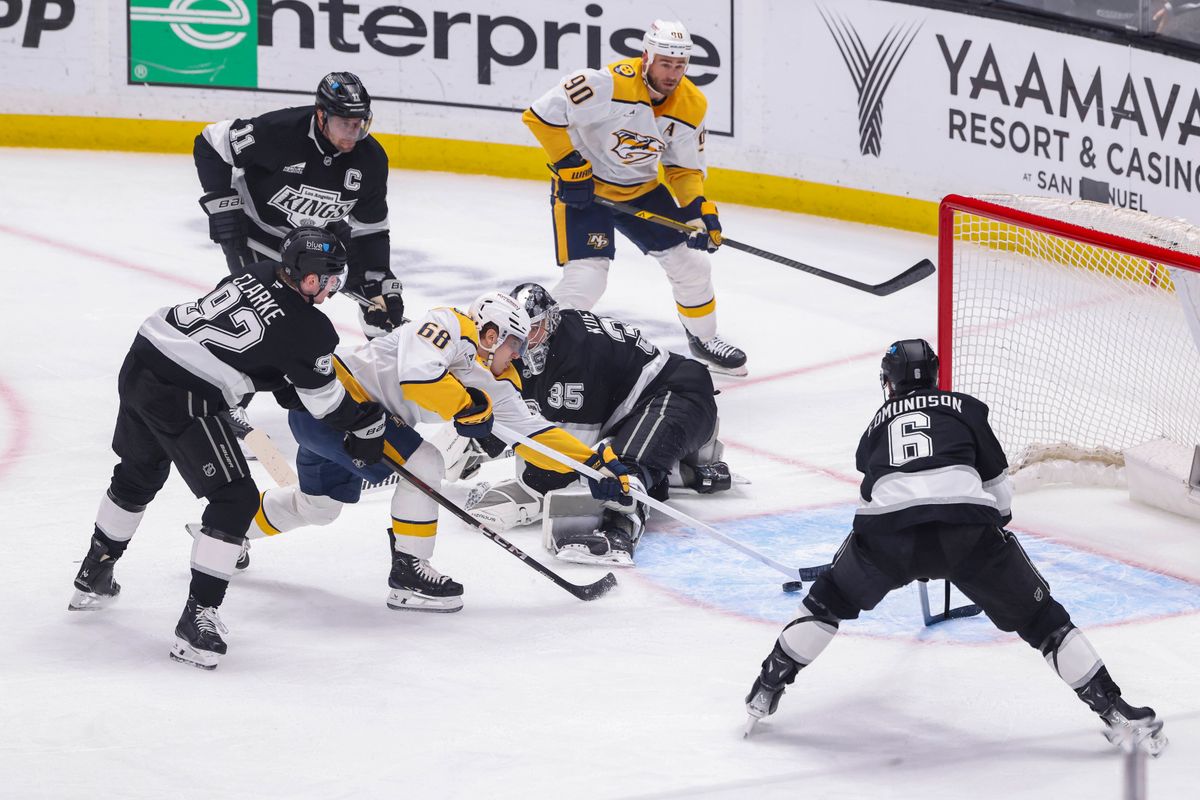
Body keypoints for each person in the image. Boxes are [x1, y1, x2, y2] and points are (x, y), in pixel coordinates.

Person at [742, 339, 1168, 755]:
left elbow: (872, 494)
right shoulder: (966, 408)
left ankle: (767, 687)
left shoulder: (874, 426)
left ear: (888, 383)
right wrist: (979, 541)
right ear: (935, 376)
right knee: (1044, 621)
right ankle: (1116, 713)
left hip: (886, 535)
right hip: (967, 532)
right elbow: (1000, 496)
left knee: (827, 601)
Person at [68, 227, 388, 670]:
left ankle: (95, 569)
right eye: (331, 280)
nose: (334, 288)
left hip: (142, 358)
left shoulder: (257, 271)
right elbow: (326, 402)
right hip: (184, 394)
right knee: (235, 499)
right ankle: (198, 617)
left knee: (139, 472)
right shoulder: (311, 328)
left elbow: (255, 346)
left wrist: (281, 381)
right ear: (310, 280)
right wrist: (364, 422)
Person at [248, 292, 633, 612]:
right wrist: (466, 407)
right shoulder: (447, 324)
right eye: (514, 343)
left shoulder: (492, 379)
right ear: (492, 333)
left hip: (350, 427)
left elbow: (532, 434)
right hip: (334, 406)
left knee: (317, 507)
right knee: (428, 461)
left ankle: (227, 532)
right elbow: (419, 379)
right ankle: (410, 572)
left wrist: (592, 464)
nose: (517, 355)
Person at [522, 19, 748, 377]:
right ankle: (540, 350)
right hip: (587, 193)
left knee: (692, 265)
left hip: (641, 191)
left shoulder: (692, 104)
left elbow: (683, 169)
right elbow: (540, 115)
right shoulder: (607, 83)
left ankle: (704, 339)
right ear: (647, 57)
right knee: (588, 280)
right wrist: (568, 164)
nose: (672, 73)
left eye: (679, 65)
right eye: (665, 63)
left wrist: (696, 213)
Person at [464, 283, 728, 567]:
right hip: (628, 413)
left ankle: (618, 534)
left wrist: (515, 495)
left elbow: (568, 462)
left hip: (678, 394)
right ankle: (684, 471)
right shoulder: (542, 347)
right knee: (608, 459)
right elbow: (525, 420)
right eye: (518, 334)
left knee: (621, 470)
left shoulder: (574, 357)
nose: (525, 342)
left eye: (534, 329)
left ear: (551, 320)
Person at [194, 71, 404, 339]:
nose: (353, 133)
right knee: (279, 323)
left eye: (359, 123)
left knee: (382, 297)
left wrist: (377, 279)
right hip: (258, 233)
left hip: (318, 238)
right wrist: (223, 206)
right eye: (344, 124)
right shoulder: (280, 131)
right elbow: (210, 142)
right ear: (321, 116)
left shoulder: (371, 159)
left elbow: (371, 228)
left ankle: (380, 365)